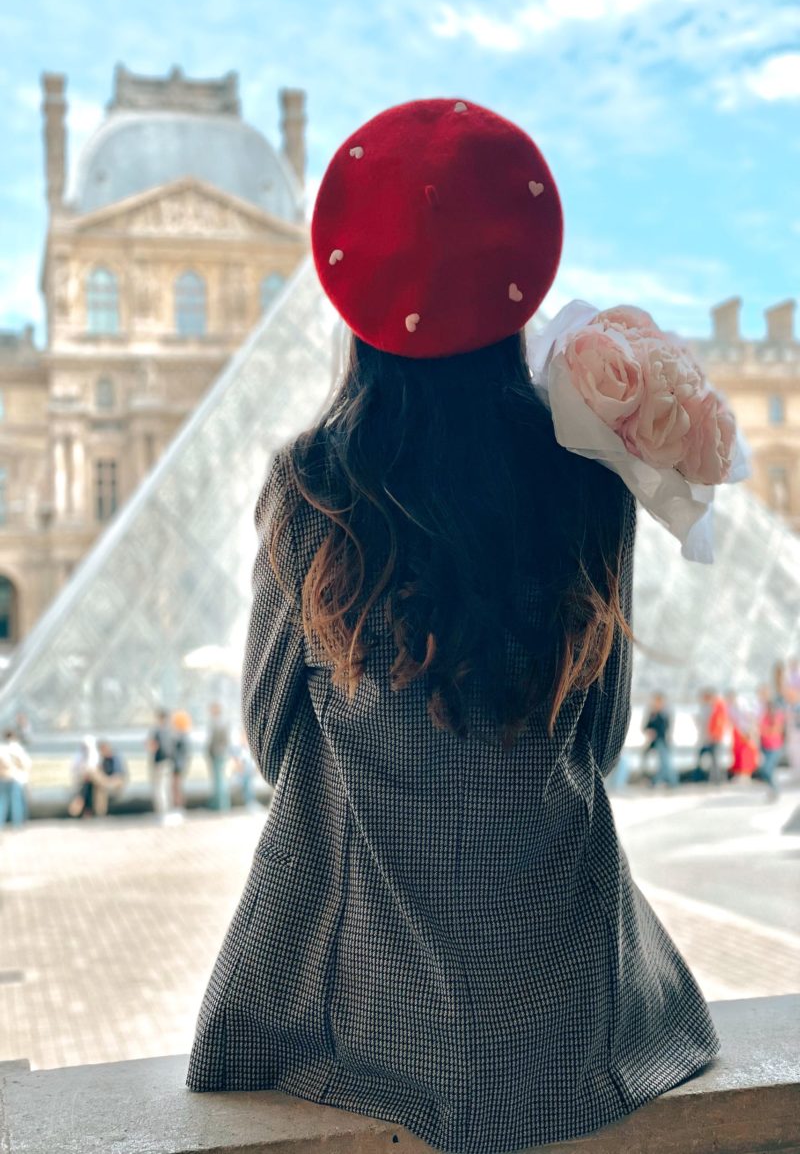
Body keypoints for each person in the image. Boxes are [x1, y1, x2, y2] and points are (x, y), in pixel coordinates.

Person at [187, 98, 721, 1153]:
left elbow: (269, 736)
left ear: (355, 298)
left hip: (364, 1006)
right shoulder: (590, 482)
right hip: (575, 1008)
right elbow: (602, 737)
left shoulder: (311, 487)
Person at [643, 692, 679, 788]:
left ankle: (669, 781)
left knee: (665, 762)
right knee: (664, 762)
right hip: (654, 742)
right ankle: (665, 781)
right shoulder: (652, 714)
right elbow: (645, 727)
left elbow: (666, 728)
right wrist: (649, 732)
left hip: (663, 741)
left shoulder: (664, 714)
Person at [0, 729, 31, 829]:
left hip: (3, 777)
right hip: (14, 777)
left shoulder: (2, 748)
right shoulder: (17, 748)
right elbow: (26, 763)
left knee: (2, 802)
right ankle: (17, 824)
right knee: (15, 802)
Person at [695, 688, 727, 785]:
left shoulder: (717, 707)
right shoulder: (711, 707)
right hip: (710, 737)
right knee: (713, 759)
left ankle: (717, 779)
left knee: (715, 759)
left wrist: (714, 735)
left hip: (714, 737)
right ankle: (714, 778)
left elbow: (718, 723)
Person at [757, 696, 785, 801]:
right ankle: (772, 789)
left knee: (767, 769)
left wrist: (765, 730)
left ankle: (775, 789)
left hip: (775, 747)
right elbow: (760, 729)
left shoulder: (778, 716)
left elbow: (775, 730)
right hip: (765, 746)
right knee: (766, 770)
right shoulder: (764, 716)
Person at [90, 739, 128, 817]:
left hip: (117, 780)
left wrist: (107, 780)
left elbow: (118, 774)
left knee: (101, 785)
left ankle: (100, 813)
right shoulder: (103, 759)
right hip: (106, 781)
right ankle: (100, 813)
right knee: (100, 786)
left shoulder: (116, 757)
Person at [726, 690, 759, 779]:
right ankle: (739, 771)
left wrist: (750, 731)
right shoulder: (730, 707)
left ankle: (748, 772)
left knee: (746, 753)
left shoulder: (743, 705)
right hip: (737, 732)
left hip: (746, 731)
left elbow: (751, 718)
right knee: (738, 753)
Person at [147, 709, 173, 817]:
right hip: (168, 762)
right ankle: (167, 809)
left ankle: (162, 811)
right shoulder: (170, 731)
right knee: (166, 787)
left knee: (159, 788)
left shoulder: (157, 732)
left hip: (159, 762)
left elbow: (152, 747)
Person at [67, 735, 101, 818]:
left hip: (91, 779)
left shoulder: (94, 754)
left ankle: (85, 808)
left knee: (88, 789)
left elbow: (93, 767)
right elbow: (75, 768)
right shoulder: (80, 755)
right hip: (82, 778)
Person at [205, 702, 230, 811]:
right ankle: (223, 805)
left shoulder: (215, 722)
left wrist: (209, 751)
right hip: (222, 753)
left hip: (216, 754)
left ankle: (219, 805)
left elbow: (211, 741)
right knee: (221, 780)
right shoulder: (224, 722)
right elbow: (227, 741)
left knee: (218, 781)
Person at [170, 708, 192, 809]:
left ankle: (178, 806)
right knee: (178, 787)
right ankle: (178, 806)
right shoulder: (185, 735)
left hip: (178, 766)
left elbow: (179, 753)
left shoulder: (180, 736)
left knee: (176, 787)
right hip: (181, 765)